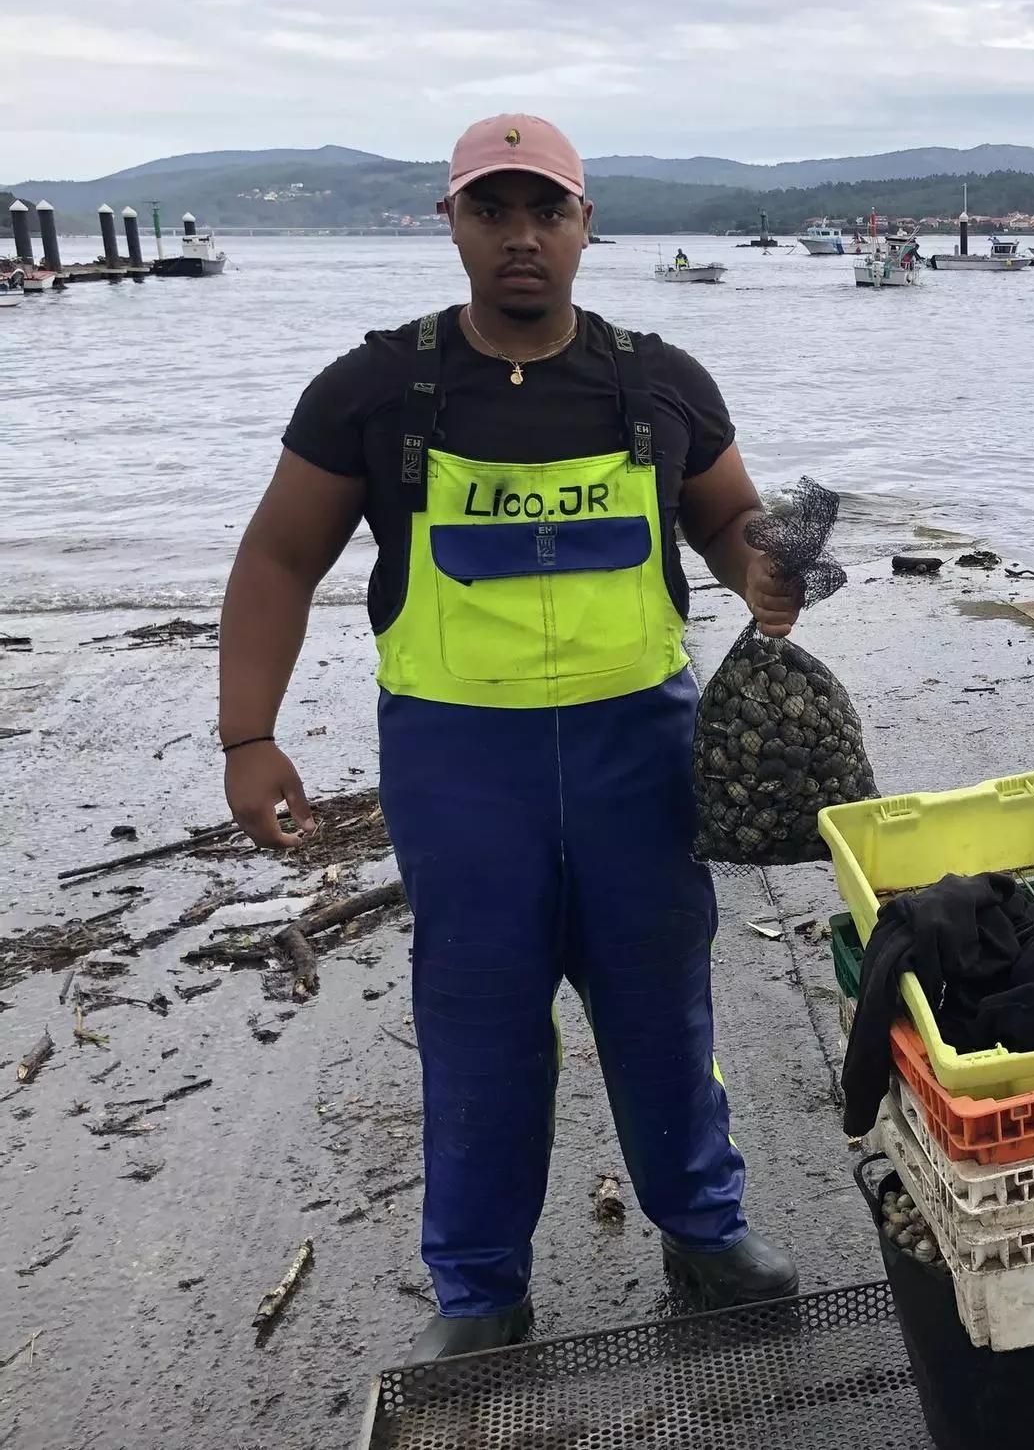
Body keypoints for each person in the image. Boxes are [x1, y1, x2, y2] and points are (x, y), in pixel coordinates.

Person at [218, 113, 803, 1362]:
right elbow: (276, 558)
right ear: (454, 223)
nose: (522, 237)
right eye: (494, 211)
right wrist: (246, 735)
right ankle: (480, 1296)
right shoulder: (377, 387)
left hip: (639, 756)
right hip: (458, 764)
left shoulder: (659, 382)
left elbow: (732, 522)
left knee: (659, 1006)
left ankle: (704, 1235)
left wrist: (771, 569)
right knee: (478, 1023)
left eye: (547, 211)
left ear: (587, 224)